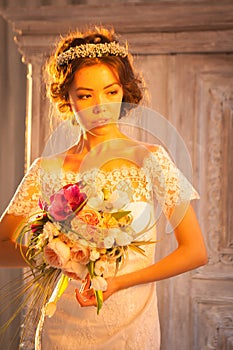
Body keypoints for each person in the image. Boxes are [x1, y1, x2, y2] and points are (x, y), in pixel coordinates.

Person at [0, 26, 208, 350]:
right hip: (62, 329)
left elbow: (195, 251)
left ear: (124, 91)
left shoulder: (150, 159)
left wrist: (117, 283)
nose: (100, 106)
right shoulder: (47, 169)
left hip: (130, 326)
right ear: (66, 99)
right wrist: (53, 252)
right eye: (85, 95)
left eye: (110, 92)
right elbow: (1, 246)